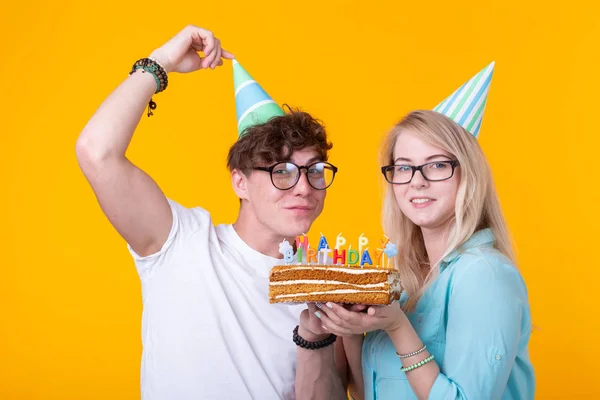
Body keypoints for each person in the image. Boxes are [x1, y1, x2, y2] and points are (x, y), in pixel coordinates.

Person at [75, 24, 340, 399]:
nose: (303, 186)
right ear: (240, 183)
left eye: (314, 171)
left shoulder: (328, 286)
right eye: (281, 171)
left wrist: (316, 336)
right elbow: (95, 152)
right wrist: (160, 63)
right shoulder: (181, 242)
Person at [294, 62, 535, 399]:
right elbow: (370, 394)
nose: (417, 181)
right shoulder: (404, 284)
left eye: (437, 165)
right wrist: (348, 324)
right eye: (405, 167)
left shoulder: (484, 275)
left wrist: (395, 325)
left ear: (469, 175)